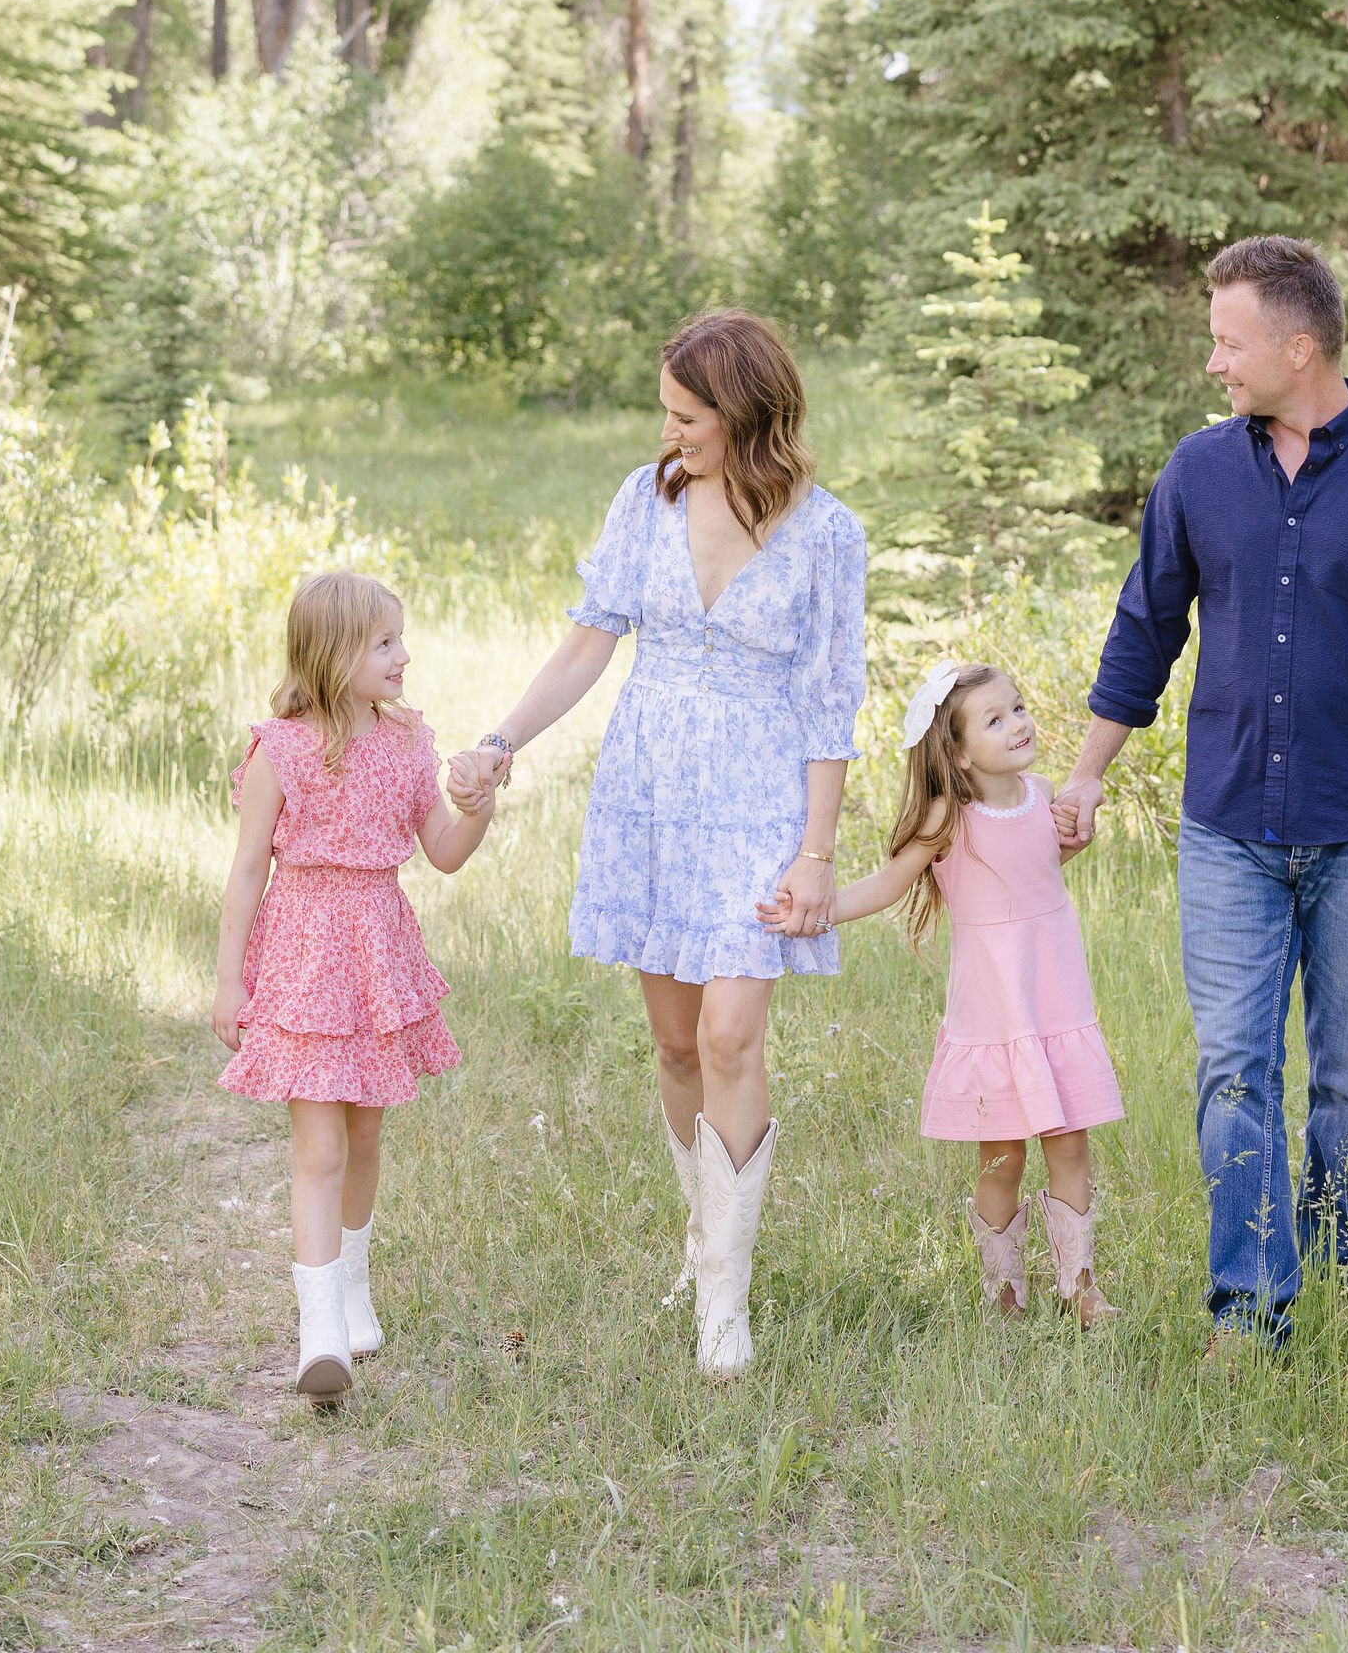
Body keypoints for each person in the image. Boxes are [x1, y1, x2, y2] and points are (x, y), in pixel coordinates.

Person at [1054, 234, 1348, 1350]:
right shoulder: (1199, 473)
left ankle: (1344, 1276)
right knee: (1231, 1072)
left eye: (1227, 341)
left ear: (1297, 347)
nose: (1213, 364)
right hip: (1225, 836)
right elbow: (1142, 632)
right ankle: (1250, 1308)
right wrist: (1083, 774)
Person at [446, 310, 866, 1377]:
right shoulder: (646, 500)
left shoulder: (827, 534)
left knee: (731, 1034)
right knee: (676, 1045)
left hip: (761, 799)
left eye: (688, 416)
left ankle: (725, 1296)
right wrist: (499, 741)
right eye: (666, 413)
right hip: (651, 793)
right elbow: (589, 642)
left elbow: (829, 705)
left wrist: (815, 853)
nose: (669, 431)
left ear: (748, 416)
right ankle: (700, 1242)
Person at [766, 655, 1123, 1325]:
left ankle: (1080, 1286)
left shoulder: (1044, 795)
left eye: (1017, 707)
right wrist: (819, 910)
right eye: (995, 719)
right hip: (996, 1008)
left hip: (1055, 996)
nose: (1018, 722)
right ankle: (1005, 1292)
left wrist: (1076, 831)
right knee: (1002, 1153)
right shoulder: (946, 818)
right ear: (957, 754)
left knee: (1072, 1141)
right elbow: (889, 883)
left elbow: (1041, 865)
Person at [212, 570, 494, 1401]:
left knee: (366, 1135)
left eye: (400, 639)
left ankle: (355, 1290)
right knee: (321, 1145)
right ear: (335, 655)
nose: (404, 656)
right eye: (384, 643)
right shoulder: (282, 749)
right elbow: (244, 873)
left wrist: (475, 805)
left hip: (376, 955)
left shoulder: (408, 743)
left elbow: (442, 849)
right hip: (303, 959)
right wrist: (230, 981)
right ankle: (318, 1329)